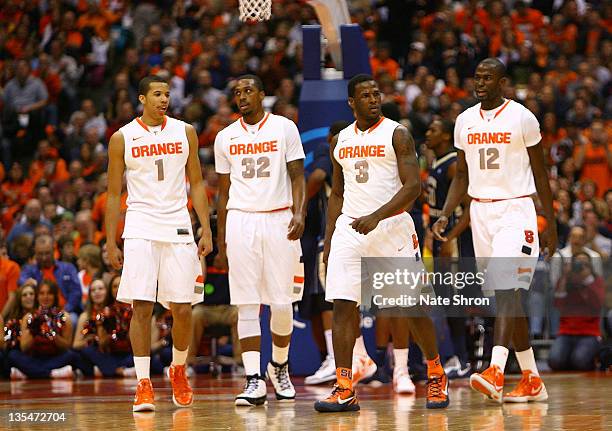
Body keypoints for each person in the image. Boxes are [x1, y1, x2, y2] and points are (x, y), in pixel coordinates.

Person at [315, 74, 449, 413]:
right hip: (350, 228)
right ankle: (344, 386)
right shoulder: (340, 140)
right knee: (344, 306)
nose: (373, 99)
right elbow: (338, 194)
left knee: (411, 307)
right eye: (365, 95)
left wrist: (376, 215)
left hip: (391, 229)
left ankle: (436, 373)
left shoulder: (397, 133)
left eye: (377, 94)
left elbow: (411, 188)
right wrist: (330, 240)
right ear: (352, 102)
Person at [433, 58, 557, 403]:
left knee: (506, 288)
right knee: (507, 296)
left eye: (488, 78)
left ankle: (496, 369)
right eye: (478, 77)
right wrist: (444, 213)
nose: (481, 82)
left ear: (503, 82)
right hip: (480, 212)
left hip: (515, 209)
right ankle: (532, 378)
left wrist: (551, 222)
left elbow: (542, 173)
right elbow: (461, 174)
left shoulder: (523, 117)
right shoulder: (465, 120)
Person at [105, 75, 213, 412]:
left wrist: (206, 229)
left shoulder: (185, 131)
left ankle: (178, 369)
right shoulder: (122, 137)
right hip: (139, 224)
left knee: (182, 307)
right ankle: (143, 383)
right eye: (156, 94)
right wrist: (111, 240)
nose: (163, 99)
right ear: (141, 98)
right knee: (142, 306)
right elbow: (112, 195)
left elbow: (196, 182)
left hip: (179, 223)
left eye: (166, 94)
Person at [214, 74, 305, 406]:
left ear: (262, 95)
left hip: (280, 216)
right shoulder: (225, 137)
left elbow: (298, 174)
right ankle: (253, 378)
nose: (242, 96)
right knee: (247, 303)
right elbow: (222, 194)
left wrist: (300, 212)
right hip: (241, 219)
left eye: (248, 90)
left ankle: (278, 365)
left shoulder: (284, 127)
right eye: (237, 92)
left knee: (282, 303)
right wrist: (221, 239)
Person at [425, 119, 474, 379]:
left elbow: (469, 208)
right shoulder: (437, 162)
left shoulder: (454, 164)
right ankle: (458, 356)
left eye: (433, 130)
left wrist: (452, 238)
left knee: (455, 302)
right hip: (440, 239)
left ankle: (463, 359)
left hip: (453, 243)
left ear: (445, 135)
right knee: (445, 301)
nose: (427, 134)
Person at [301, 121, 349, 385]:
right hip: (360, 227)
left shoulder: (326, 147)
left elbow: (318, 176)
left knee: (327, 298)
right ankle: (340, 358)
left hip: (331, 233)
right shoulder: (356, 148)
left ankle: (333, 358)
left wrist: (301, 205)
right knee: (341, 299)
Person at [549, 252, 604, 371]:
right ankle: (570, 358)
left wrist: (587, 280)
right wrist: (565, 276)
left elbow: (598, 304)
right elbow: (558, 304)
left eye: (584, 263)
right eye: (578, 263)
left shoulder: (596, 280)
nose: (581, 266)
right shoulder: (566, 280)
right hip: (566, 331)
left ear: (590, 265)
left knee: (580, 362)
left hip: (589, 333)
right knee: (555, 361)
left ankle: (583, 358)